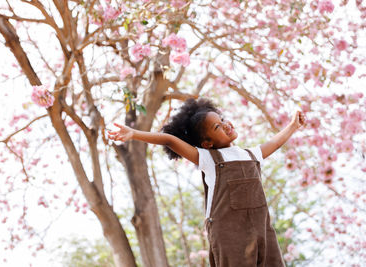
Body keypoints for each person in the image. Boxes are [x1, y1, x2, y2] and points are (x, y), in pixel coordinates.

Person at [108, 98, 306, 267]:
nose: (226, 124)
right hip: (229, 233)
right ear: (207, 143)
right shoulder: (209, 159)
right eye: (217, 127)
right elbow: (169, 140)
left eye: (222, 120)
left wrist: (293, 125)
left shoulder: (251, 154)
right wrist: (134, 134)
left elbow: (276, 142)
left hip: (262, 229)